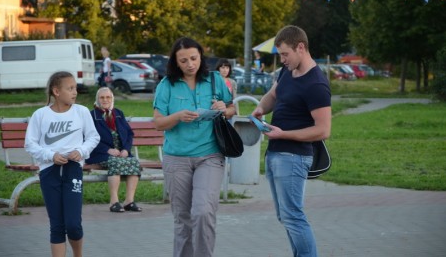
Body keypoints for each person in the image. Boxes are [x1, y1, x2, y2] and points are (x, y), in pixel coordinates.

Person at [251, 25, 331, 257]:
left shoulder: (316, 84)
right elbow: (274, 94)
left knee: (293, 216)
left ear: (301, 47)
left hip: (294, 156)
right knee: (285, 216)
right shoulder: (288, 71)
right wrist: (260, 108)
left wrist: (283, 134)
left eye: (285, 54)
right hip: (276, 152)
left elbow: (323, 130)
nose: (282, 60)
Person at [153, 37, 236, 257]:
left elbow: (232, 108)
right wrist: (178, 116)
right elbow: (159, 123)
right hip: (176, 158)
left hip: (210, 155)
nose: (190, 64)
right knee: (183, 220)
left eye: (194, 58)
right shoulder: (166, 85)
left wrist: (223, 108)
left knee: (203, 212)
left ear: (201, 56)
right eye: (184, 60)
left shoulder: (215, 80)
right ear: (176, 62)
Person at [24, 71, 100, 257]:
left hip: (73, 169)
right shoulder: (40, 115)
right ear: (56, 91)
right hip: (49, 172)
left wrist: (81, 151)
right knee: (57, 225)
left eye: (75, 88)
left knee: (73, 224)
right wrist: (50, 155)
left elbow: (93, 137)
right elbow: (30, 144)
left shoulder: (81, 112)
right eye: (70, 88)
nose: (75, 92)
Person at [86, 87, 143, 213]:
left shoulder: (118, 113)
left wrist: (126, 150)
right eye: (102, 97)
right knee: (115, 162)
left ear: (112, 99)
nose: (105, 100)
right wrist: (107, 150)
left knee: (134, 162)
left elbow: (129, 134)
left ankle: (129, 201)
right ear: (97, 99)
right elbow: (89, 138)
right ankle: (114, 202)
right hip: (100, 154)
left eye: (108, 97)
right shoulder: (91, 115)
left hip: (121, 153)